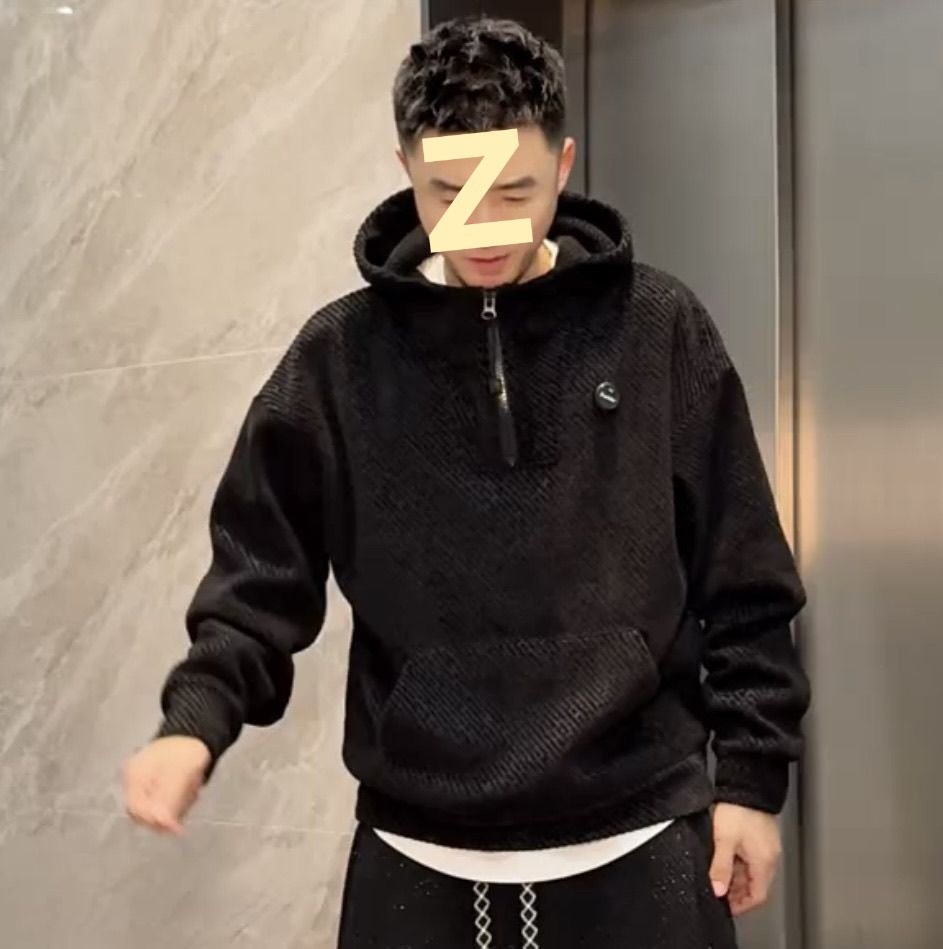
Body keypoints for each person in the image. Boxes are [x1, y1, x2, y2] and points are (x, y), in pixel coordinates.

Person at [122, 15, 810, 948]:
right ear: (405, 169)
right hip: (416, 854)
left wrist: (752, 781)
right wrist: (193, 721)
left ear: (564, 165)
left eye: (513, 190)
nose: (482, 227)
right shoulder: (338, 360)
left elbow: (744, 577)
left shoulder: (655, 329)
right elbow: (258, 579)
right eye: (449, 192)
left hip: (640, 836)